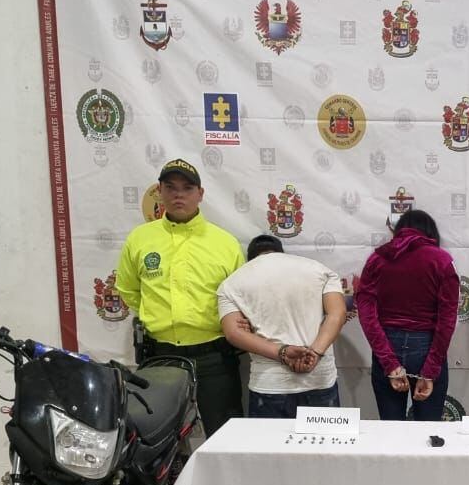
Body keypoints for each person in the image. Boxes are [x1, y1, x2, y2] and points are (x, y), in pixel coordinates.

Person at [115, 158, 245, 436]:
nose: (178, 194)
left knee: (226, 437)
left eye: (187, 188)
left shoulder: (225, 243)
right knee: (153, 439)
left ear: (200, 194)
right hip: (160, 356)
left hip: (215, 357)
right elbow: (128, 289)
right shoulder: (140, 239)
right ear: (159, 191)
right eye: (170, 187)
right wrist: (159, 315)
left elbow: (241, 299)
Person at [216, 234, 348, 418]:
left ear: (250, 257)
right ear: (281, 252)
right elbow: (337, 314)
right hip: (319, 378)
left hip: (269, 383)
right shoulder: (320, 270)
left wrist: (283, 351)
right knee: (322, 446)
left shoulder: (231, 284)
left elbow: (233, 333)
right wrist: (315, 353)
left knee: (271, 447)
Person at [354, 210, 460, 420]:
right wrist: (430, 370)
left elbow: (367, 315)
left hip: (387, 343)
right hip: (427, 348)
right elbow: (447, 321)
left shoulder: (377, 259)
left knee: (391, 429)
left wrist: (389, 362)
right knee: (428, 431)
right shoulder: (442, 261)